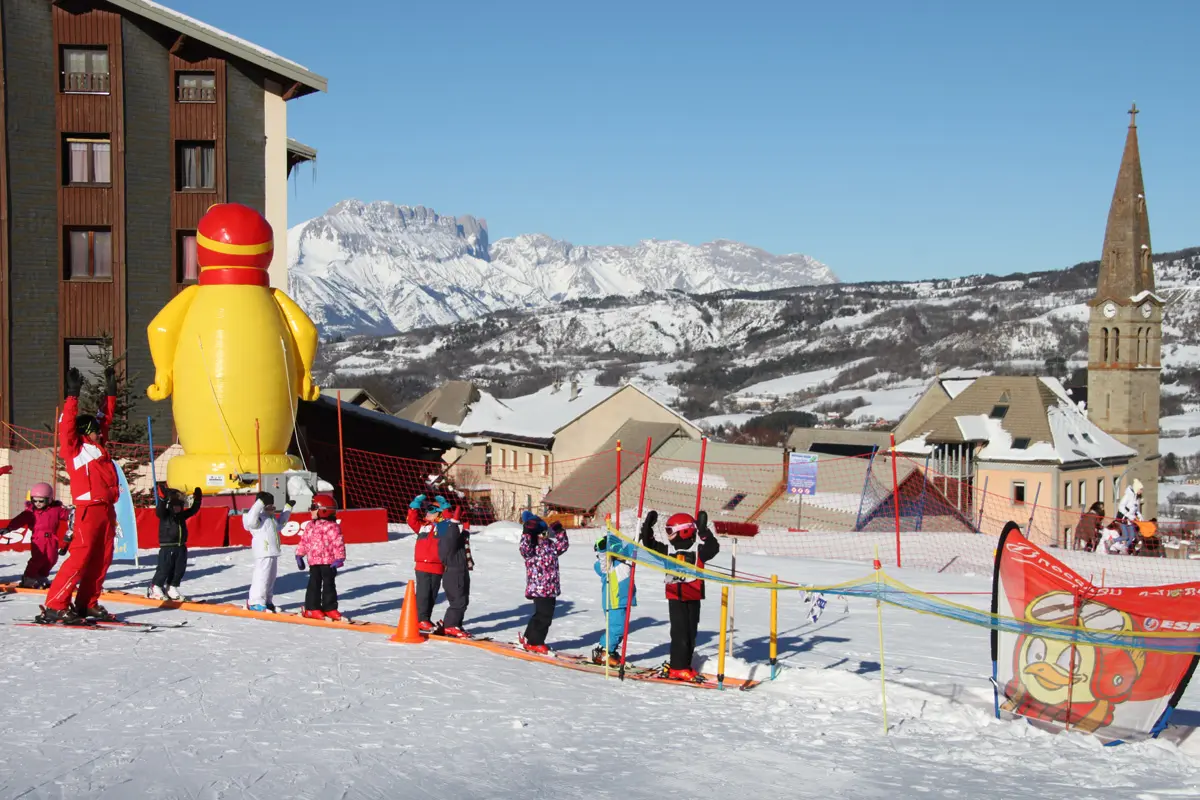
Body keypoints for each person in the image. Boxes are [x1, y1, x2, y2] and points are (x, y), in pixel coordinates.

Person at [36, 367, 119, 625]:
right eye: (95, 430)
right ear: (86, 432)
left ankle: (87, 603)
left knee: (102, 558)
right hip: (87, 509)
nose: (100, 432)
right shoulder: (75, 449)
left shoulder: (97, 446)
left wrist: (111, 391)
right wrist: (72, 395)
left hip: (106, 509)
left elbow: (105, 417)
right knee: (80, 558)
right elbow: (68, 427)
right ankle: (55, 604)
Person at [639, 509, 720, 681]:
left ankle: (685, 664)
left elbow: (714, 548)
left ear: (683, 530)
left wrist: (703, 531)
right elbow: (649, 544)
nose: (668, 535)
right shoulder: (667, 550)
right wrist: (647, 526)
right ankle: (677, 667)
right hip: (676, 596)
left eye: (670, 531)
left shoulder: (698, 550)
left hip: (694, 595)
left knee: (691, 633)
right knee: (679, 633)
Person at [517, 511, 570, 654]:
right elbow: (523, 548)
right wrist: (527, 531)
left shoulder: (551, 546)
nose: (544, 536)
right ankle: (535, 642)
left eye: (546, 533)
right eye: (541, 533)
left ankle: (529, 637)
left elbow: (563, 545)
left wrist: (559, 531)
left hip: (551, 587)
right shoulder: (531, 548)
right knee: (544, 616)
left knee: (543, 615)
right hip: (539, 587)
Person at [2, 482, 70, 589]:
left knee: (52, 559)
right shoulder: (31, 512)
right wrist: (9, 528)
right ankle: (28, 578)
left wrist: (75, 512)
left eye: (41, 501)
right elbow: (20, 520)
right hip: (38, 538)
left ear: (50, 499)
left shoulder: (56, 510)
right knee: (38, 559)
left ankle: (41, 575)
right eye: (35, 500)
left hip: (52, 538)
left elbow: (68, 514)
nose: (37, 503)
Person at [295, 495, 346, 620]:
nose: (310, 510)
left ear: (323, 510)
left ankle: (330, 608)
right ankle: (312, 608)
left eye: (313, 507)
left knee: (329, 585)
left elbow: (338, 542)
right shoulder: (310, 526)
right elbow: (304, 542)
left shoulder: (332, 526)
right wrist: (299, 555)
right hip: (314, 562)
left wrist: (339, 558)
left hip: (329, 562)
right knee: (314, 584)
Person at [149, 485, 203, 601]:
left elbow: (193, 510)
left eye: (180, 506)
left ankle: (172, 587)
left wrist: (197, 499)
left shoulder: (181, 516)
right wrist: (162, 499)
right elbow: (160, 510)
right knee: (164, 568)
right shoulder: (165, 515)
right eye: (175, 506)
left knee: (179, 569)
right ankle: (155, 587)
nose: (178, 509)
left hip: (180, 546)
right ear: (170, 506)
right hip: (167, 547)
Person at [407, 493, 451, 632]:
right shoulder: (423, 526)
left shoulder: (444, 527)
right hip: (422, 566)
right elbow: (411, 521)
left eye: (432, 510)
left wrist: (445, 508)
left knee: (432, 594)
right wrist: (414, 506)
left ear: (439, 514)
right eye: (427, 509)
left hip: (438, 566)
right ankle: (421, 619)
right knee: (423, 593)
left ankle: (425, 618)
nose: (427, 512)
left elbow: (450, 522)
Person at [592, 531, 637, 667]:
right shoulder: (608, 566)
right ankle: (604, 650)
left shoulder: (626, 561)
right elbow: (603, 557)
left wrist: (641, 530)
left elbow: (633, 547)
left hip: (624, 601)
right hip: (613, 601)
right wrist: (602, 547)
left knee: (620, 629)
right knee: (617, 628)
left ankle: (609, 651)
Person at [244, 490, 294, 612]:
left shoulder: (270, 518)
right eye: (269, 505)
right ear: (262, 505)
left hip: (272, 552)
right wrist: (260, 503)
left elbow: (281, 524)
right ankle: (255, 601)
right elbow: (250, 521)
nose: (272, 508)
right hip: (263, 552)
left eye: (273, 506)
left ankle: (267, 600)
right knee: (262, 577)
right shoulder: (257, 519)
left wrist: (287, 508)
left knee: (270, 578)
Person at [435, 495, 472, 638]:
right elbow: (451, 534)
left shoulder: (452, 536)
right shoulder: (446, 537)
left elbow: (461, 539)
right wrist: (454, 520)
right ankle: (450, 626)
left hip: (461, 571)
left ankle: (456, 624)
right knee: (458, 601)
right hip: (453, 573)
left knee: (463, 600)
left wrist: (466, 527)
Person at [1115, 479, 1144, 550]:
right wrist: (1127, 514)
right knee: (1126, 537)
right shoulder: (1128, 495)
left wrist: (1140, 516)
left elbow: (1136, 509)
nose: (1142, 491)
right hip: (1123, 519)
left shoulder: (1136, 498)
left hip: (1131, 520)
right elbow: (1121, 506)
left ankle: (1124, 548)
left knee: (1132, 536)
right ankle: (1110, 541)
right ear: (1137, 489)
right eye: (1141, 489)